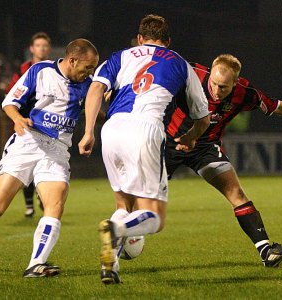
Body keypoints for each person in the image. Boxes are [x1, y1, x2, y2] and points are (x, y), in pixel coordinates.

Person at [0, 38, 99, 278]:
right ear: (72, 60)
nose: (89, 72)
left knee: (55, 206)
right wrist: (18, 118)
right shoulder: (40, 71)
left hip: (57, 151)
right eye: (87, 67)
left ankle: (36, 264)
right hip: (27, 143)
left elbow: (96, 105)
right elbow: (10, 102)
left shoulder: (88, 84)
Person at [164, 54, 282, 267]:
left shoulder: (244, 93)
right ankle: (119, 241)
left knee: (237, 193)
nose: (216, 92)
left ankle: (266, 252)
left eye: (223, 87)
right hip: (170, 143)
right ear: (210, 73)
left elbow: (276, 106)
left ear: (235, 83)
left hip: (205, 148)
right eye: (214, 84)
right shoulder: (190, 74)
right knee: (145, 200)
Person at [78, 14, 210, 284]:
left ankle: (110, 266)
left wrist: (89, 130)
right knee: (156, 218)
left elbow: (94, 90)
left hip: (112, 128)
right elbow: (203, 118)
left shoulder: (119, 57)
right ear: (168, 42)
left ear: (140, 38)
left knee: (123, 203)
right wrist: (191, 136)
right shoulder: (180, 64)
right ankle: (116, 228)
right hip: (146, 129)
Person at [6, 32, 52, 217]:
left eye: (45, 45)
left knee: (46, 164)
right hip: (26, 123)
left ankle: (43, 196)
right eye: (38, 45)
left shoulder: (54, 69)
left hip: (47, 125)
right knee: (26, 166)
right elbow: (11, 97)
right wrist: (17, 118)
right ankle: (29, 205)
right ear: (32, 49)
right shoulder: (22, 70)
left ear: (48, 48)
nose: (41, 48)